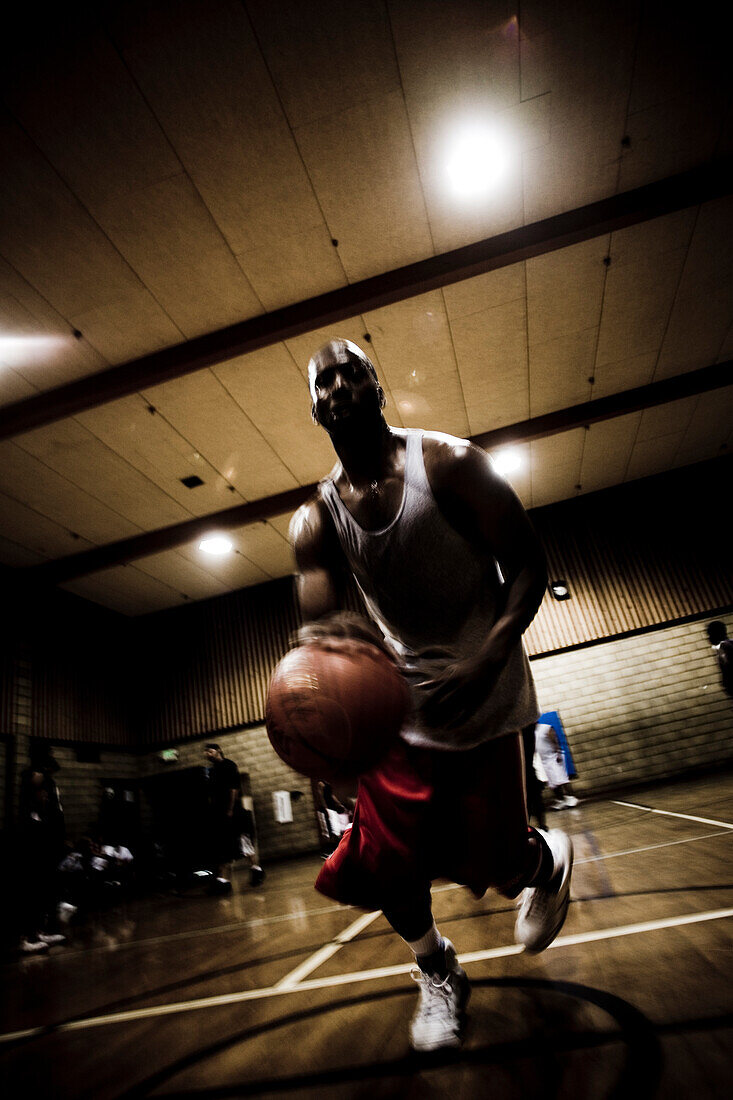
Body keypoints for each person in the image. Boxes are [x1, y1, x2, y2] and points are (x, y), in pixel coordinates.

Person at [289, 337, 574, 1052]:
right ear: (314, 408)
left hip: (487, 679)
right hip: (402, 702)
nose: (339, 387)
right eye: (324, 382)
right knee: (382, 858)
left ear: (378, 388)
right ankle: (436, 968)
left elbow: (530, 566)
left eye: (352, 373)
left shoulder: (447, 463)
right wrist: (335, 740)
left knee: (493, 858)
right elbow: (324, 636)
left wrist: (486, 656)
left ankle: (543, 862)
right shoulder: (316, 520)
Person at [16, 745, 67, 953]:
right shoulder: (33, 776)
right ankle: (26, 937)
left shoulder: (45, 778)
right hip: (36, 845)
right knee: (33, 891)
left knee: (45, 890)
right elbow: (38, 799)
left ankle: (39, 931)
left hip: (47, 842)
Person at [203, 744, 241, 895]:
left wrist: (230, 808)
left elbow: (234, 788)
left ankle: (225, 880)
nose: (208, 754)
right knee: (219, 846)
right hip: (217, 812)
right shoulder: (212, 771)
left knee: (226, 845)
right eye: (206, 753)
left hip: (228, 811)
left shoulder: (229, 765)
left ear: (218, 750)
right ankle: (222, 880)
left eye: (210, 751)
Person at [533, 720, 579, 810]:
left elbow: (555, 741)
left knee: (562, 779)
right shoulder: (532, 733)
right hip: (544, 760)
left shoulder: (546, 727)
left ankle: (572, 798)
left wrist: (558, 753)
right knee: (553, 783)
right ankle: (561, 800)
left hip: (554, 756)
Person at [706, 620, 733, 698]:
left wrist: (726, 682)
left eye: (710, 634)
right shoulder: (723, 647)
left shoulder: (726, 647)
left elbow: (729, 668)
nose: (709, 638)